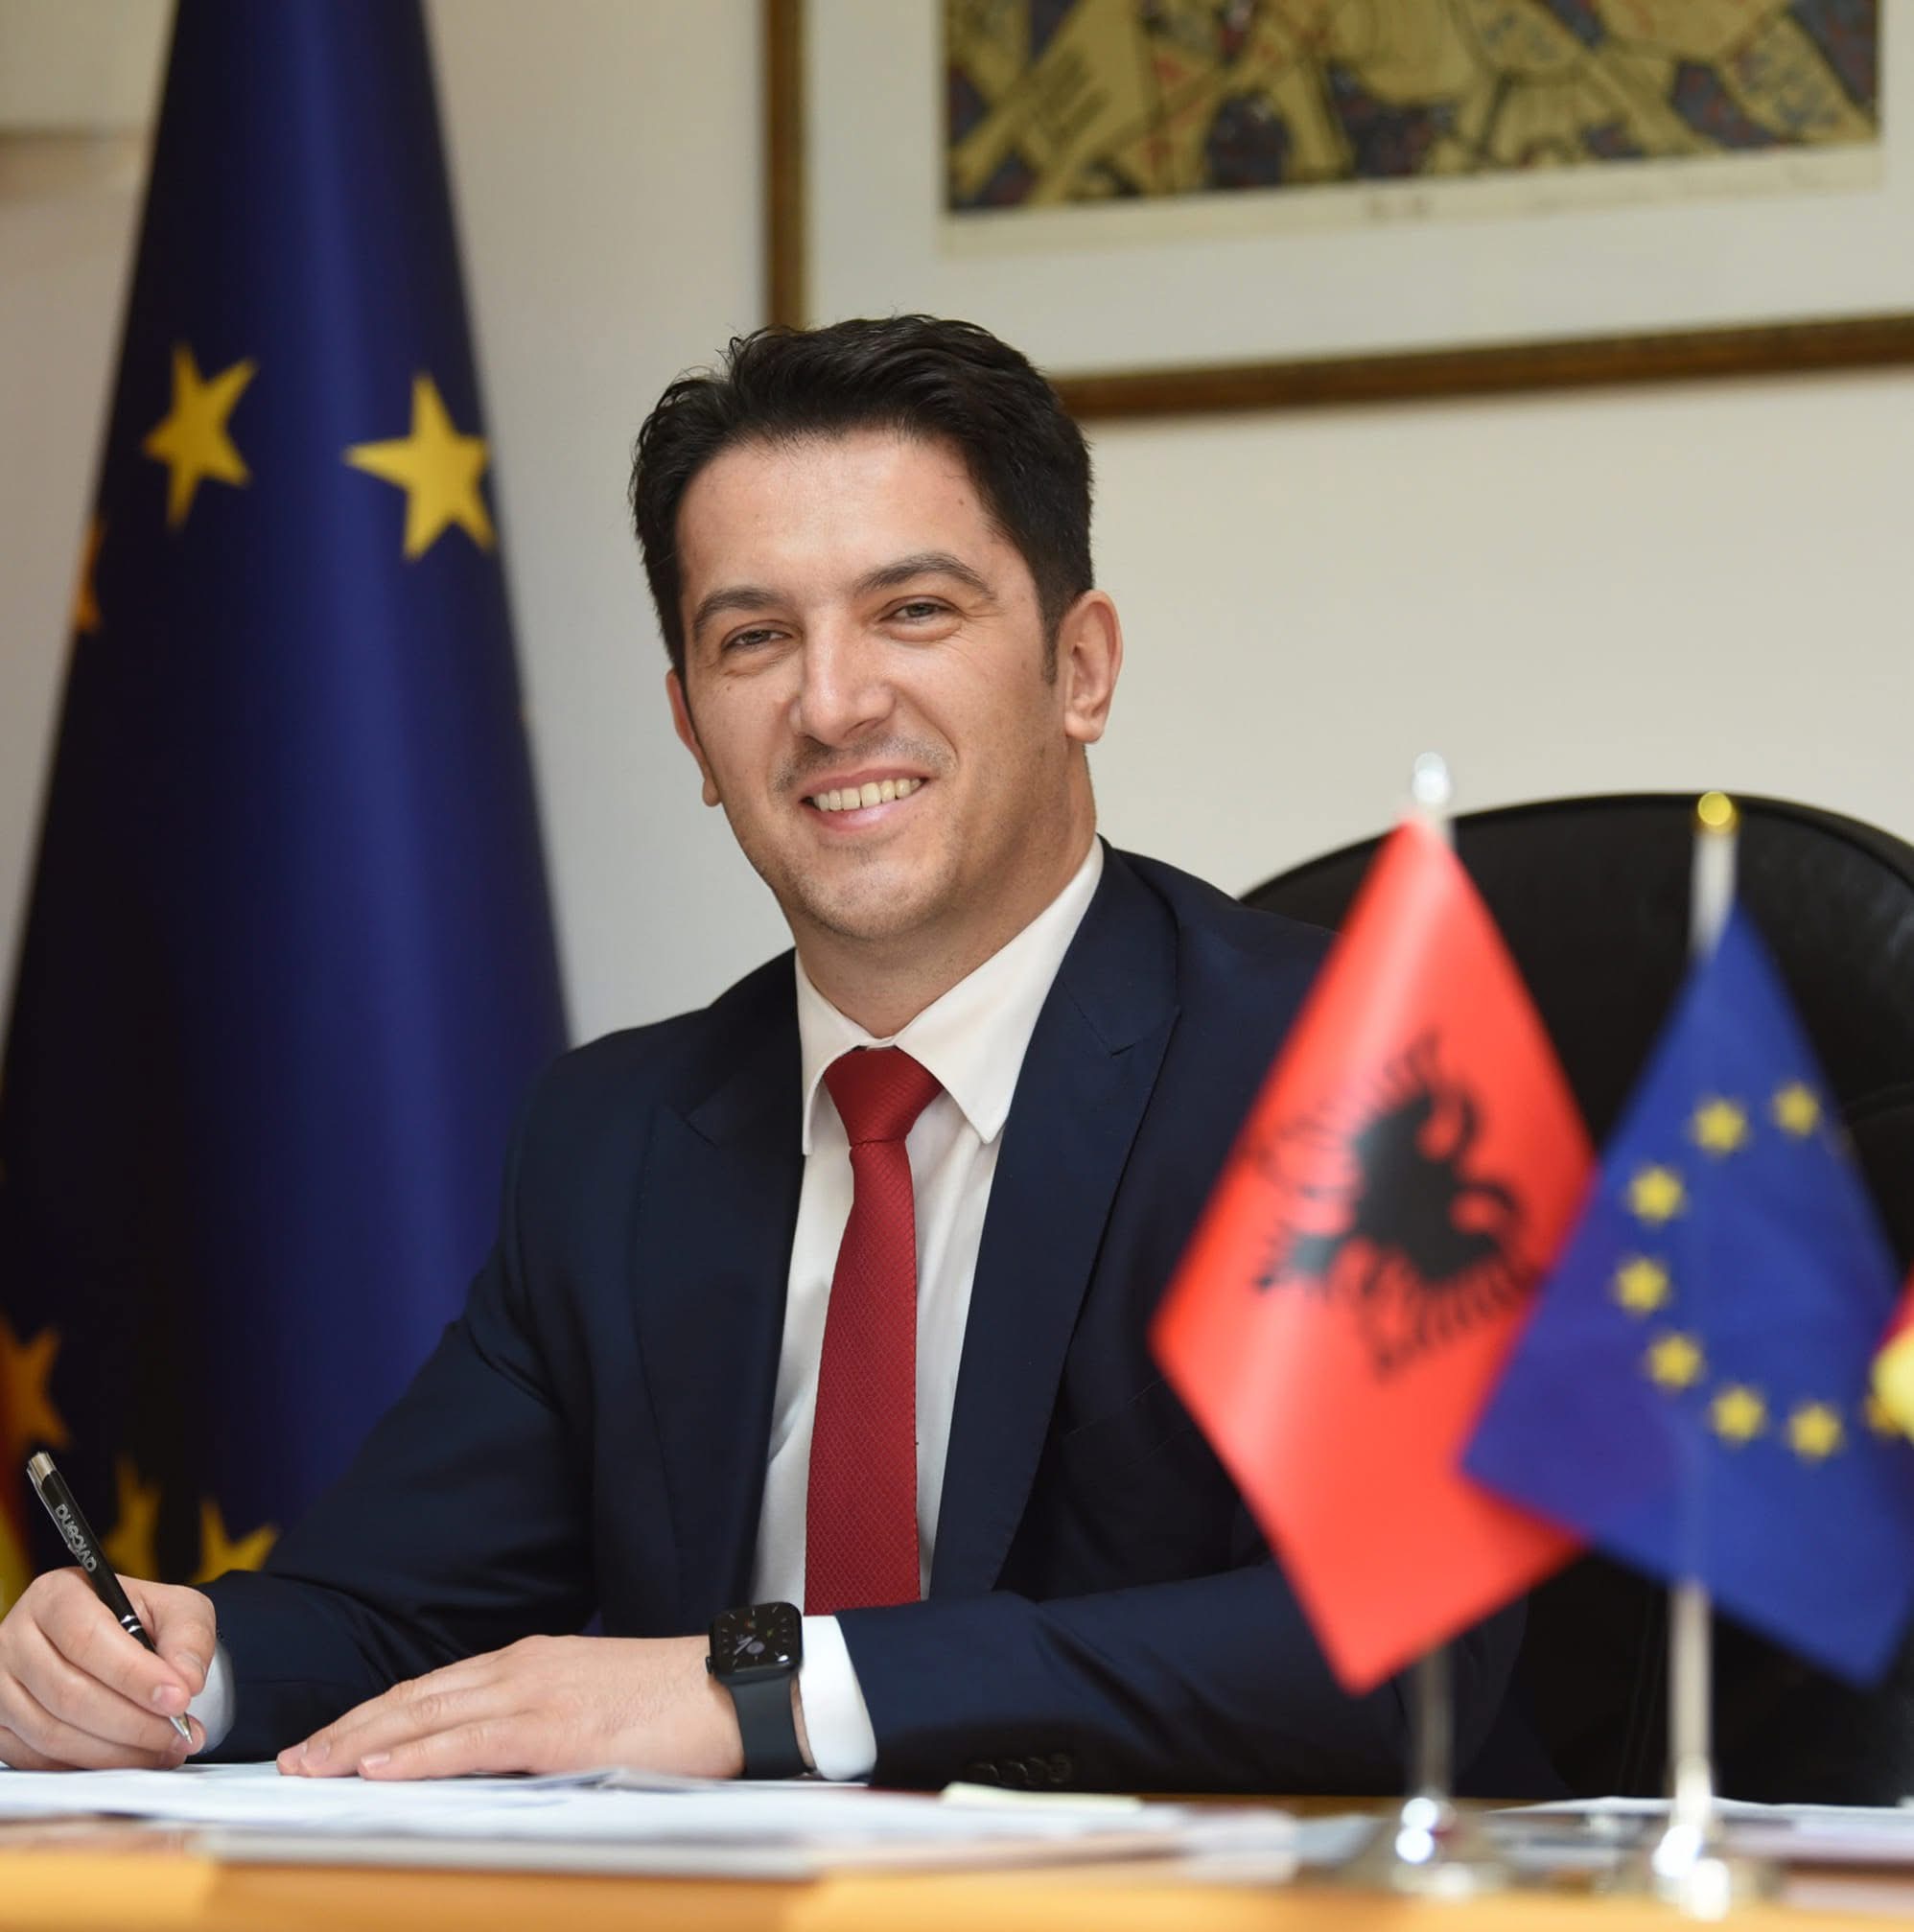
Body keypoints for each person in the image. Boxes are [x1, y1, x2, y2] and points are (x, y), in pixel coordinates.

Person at [0, 316, 1524, 1788]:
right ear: (691, 728)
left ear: (1080, 670)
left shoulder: (1349, 1066)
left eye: (913, 612)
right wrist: (178, 1669)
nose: (833, 704)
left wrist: (775, 1689)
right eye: (755, 639)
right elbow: (392, 1614)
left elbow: (1407, 1649)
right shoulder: (614, 1138)